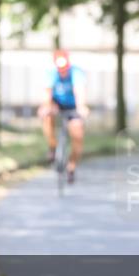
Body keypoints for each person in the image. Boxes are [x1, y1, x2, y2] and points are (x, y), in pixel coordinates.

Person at [38, 49, 89, 183]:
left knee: (78, 135)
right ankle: (52, 146)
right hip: (57, 104)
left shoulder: (76, 73)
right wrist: (46, 107)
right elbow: (47, 94)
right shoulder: (51, 73)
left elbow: (80, 92)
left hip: (73, 106)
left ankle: (71, 167)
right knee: (47, 116)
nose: (62, 71)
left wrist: (82, 107)